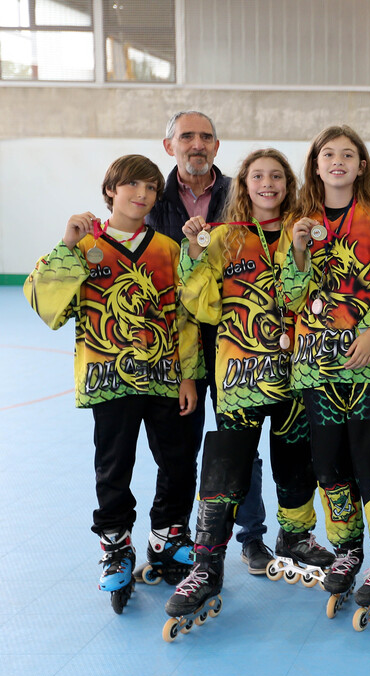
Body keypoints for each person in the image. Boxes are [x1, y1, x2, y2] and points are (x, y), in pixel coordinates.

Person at [163, 150, 332, 634]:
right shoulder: (222, 238)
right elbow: (202, 304)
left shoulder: (306, 231)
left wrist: (301, 252)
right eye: (258, 175)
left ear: (289, 183)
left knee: (295, 458)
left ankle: (296, 537)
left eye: (277, 175)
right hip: (238, 375)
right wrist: (193, 254)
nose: (268, 183)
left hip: (295, 374)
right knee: (226, 464)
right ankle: (207, 562)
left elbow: (310, 299)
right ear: (244, 185)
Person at [24, 154, 198, 614]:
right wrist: (66, 243)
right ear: (110, 191)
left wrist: (187, 375)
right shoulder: (84, 247)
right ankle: (116, 545)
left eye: (150, 189)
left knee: (177, 459)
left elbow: (181, 317)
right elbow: (47, 307)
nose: (141, 196)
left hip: (163, 378)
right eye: (131, 186)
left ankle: (168, 533)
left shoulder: (168, 248)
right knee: (114, 465)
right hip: (110, 379)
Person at [283, 125, 370, 629]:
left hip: (366, 367)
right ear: (315, 165)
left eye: (348, 155)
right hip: (315, 370)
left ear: (361, 165)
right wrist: (295, 254)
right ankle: (349, 548)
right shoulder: (299, 221)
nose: (337, 161)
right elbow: (288, 297)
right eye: (328, 154)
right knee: (330, 465)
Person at [145, 110, 272, 574]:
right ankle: (175, 537)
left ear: (217, 146)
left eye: (205, 137)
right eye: (186, 137)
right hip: (171, 344)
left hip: (236, 339)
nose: (196, 144)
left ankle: (251, 536)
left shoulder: (241, 193)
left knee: (240, 439)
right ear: (169, 146)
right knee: (178, 447)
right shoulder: (150, 199)